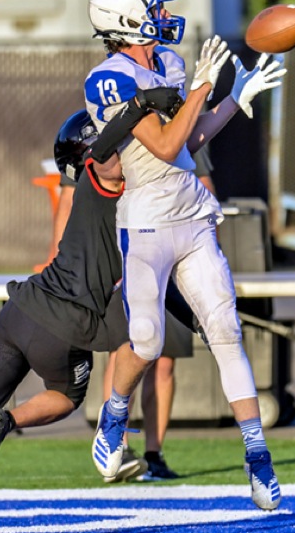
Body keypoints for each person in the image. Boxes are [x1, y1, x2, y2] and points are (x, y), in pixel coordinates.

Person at [0, 89, 187, 533]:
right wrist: (141, 107)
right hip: (65, 326)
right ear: (93, 154)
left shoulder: (101, 191)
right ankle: (16, 419)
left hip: (20, 310)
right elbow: (163, 282)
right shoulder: (116, 189)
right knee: (75, 391)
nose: (130, 149)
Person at [84, 0, 286, 511]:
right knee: (147, 342)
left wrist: (232, 99)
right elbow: (165, 144)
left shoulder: (170, 63)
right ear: (127, 19)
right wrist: (201, 88)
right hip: (146, 223)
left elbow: (191, 140)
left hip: (193, 216)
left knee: (226, 330)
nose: (165, 17)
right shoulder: (108, 79)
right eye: (155, 9)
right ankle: (115, 412)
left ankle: (257, 455)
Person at [53, 147, 214, 481]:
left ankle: (155, 454)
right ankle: (117, 446)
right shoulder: (104, 132)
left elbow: (204, 188)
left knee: (164, 362)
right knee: (125, 352)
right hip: (121, 262)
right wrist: (62, 262)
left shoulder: (178, 132)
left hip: (169, 260)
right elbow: (68, 199)